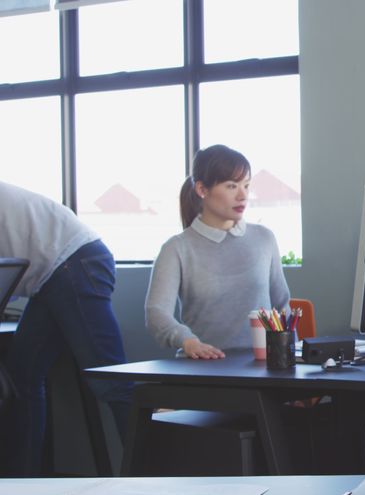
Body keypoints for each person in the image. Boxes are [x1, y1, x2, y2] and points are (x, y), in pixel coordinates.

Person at [0, 180, 132, 477]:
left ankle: (156, 475)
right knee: (22, 378)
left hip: (74, 262)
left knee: (110, 379)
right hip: (55, 272)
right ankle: (23, 484)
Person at [145, 144, 290, 358]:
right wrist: (188, 342)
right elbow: (157, 312)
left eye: (247, 185)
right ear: (202, 190)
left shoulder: (264, 239)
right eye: (232, 186)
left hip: (264, 366)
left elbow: (282, 304)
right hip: (205, 367)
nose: (243, 195)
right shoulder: (176, 248)